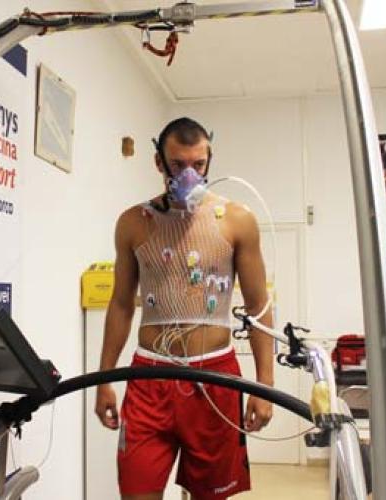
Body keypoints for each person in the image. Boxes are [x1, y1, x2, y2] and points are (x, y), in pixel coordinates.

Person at [95, 117, 274, 500]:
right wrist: (103, 379)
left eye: (199, 164)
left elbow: (258, 306)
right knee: (136, 490)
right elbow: (122, 304)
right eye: (178, 165)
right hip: (149, 377)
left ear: (209, 160)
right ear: (158, 162)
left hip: (215, 376)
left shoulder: (237, 221)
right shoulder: (133, 223)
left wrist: (265, 385)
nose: (189, 174)